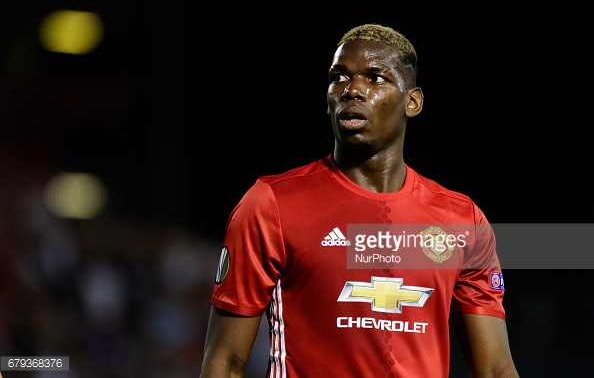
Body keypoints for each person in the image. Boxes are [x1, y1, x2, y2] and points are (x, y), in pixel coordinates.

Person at [200, 23, 519, 377]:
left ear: (412, 102)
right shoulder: (272, 204)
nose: (352, 90)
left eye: (375, 78)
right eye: (339, 77)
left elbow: (494, 369)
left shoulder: (461, 219)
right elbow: (224, 362)